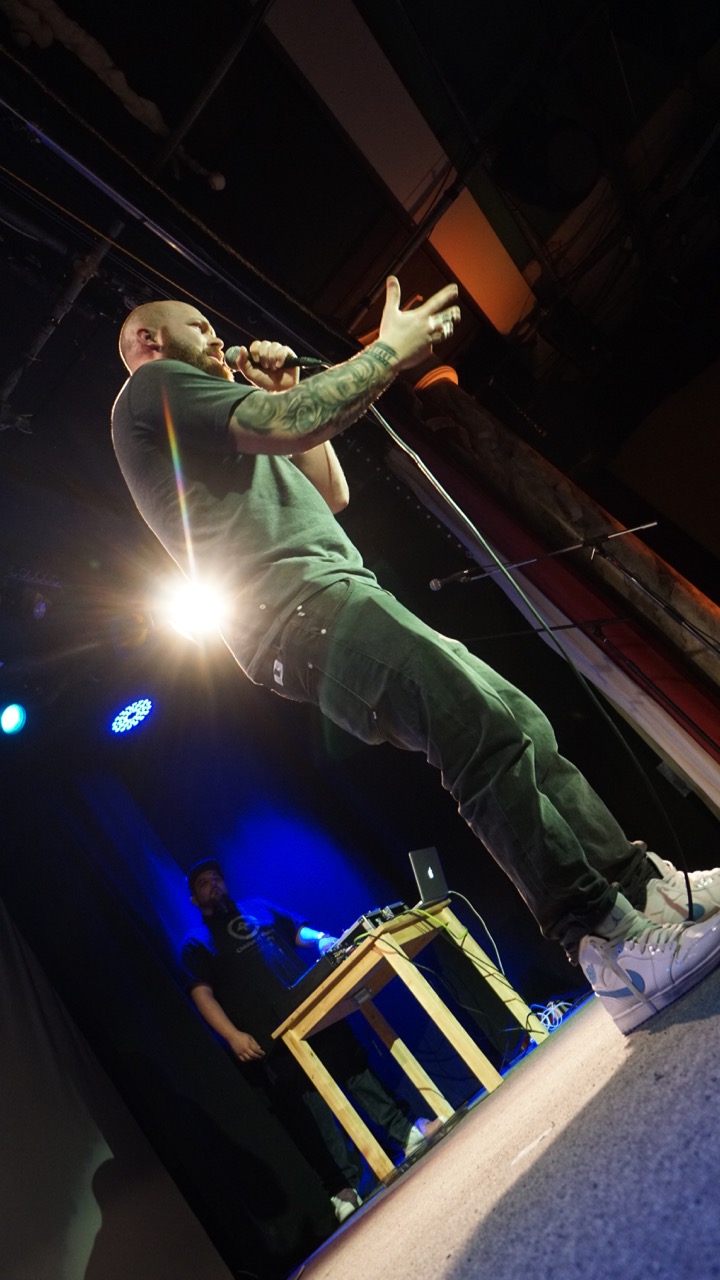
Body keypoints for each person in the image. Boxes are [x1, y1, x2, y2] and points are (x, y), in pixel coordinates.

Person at [112, 277, 720, 1037]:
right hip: (297, 612)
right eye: (198, 327)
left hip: (335, 593)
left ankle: (642, 893)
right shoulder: (153, 390)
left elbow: (328, 488)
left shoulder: (214, 416)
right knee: (471, 727)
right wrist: (388, 354)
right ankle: (606, 944)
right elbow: (292, 423)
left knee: (516, 721)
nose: (215, 338)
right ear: (150, 340)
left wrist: (287, 387)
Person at [180, 858, 443, 1221]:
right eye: (204, 883)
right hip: (272, 1036)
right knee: (312, 1106)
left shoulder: (257, 906)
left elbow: (297, 931)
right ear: (194, 899)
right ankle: (345, 1187)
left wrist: (322, 940)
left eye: (217, 878)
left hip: (312, 1008)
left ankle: (405, 1133)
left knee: (353, 1067)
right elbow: (202, 994)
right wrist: (232, 1036)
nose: (214, 885)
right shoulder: (195, 944)